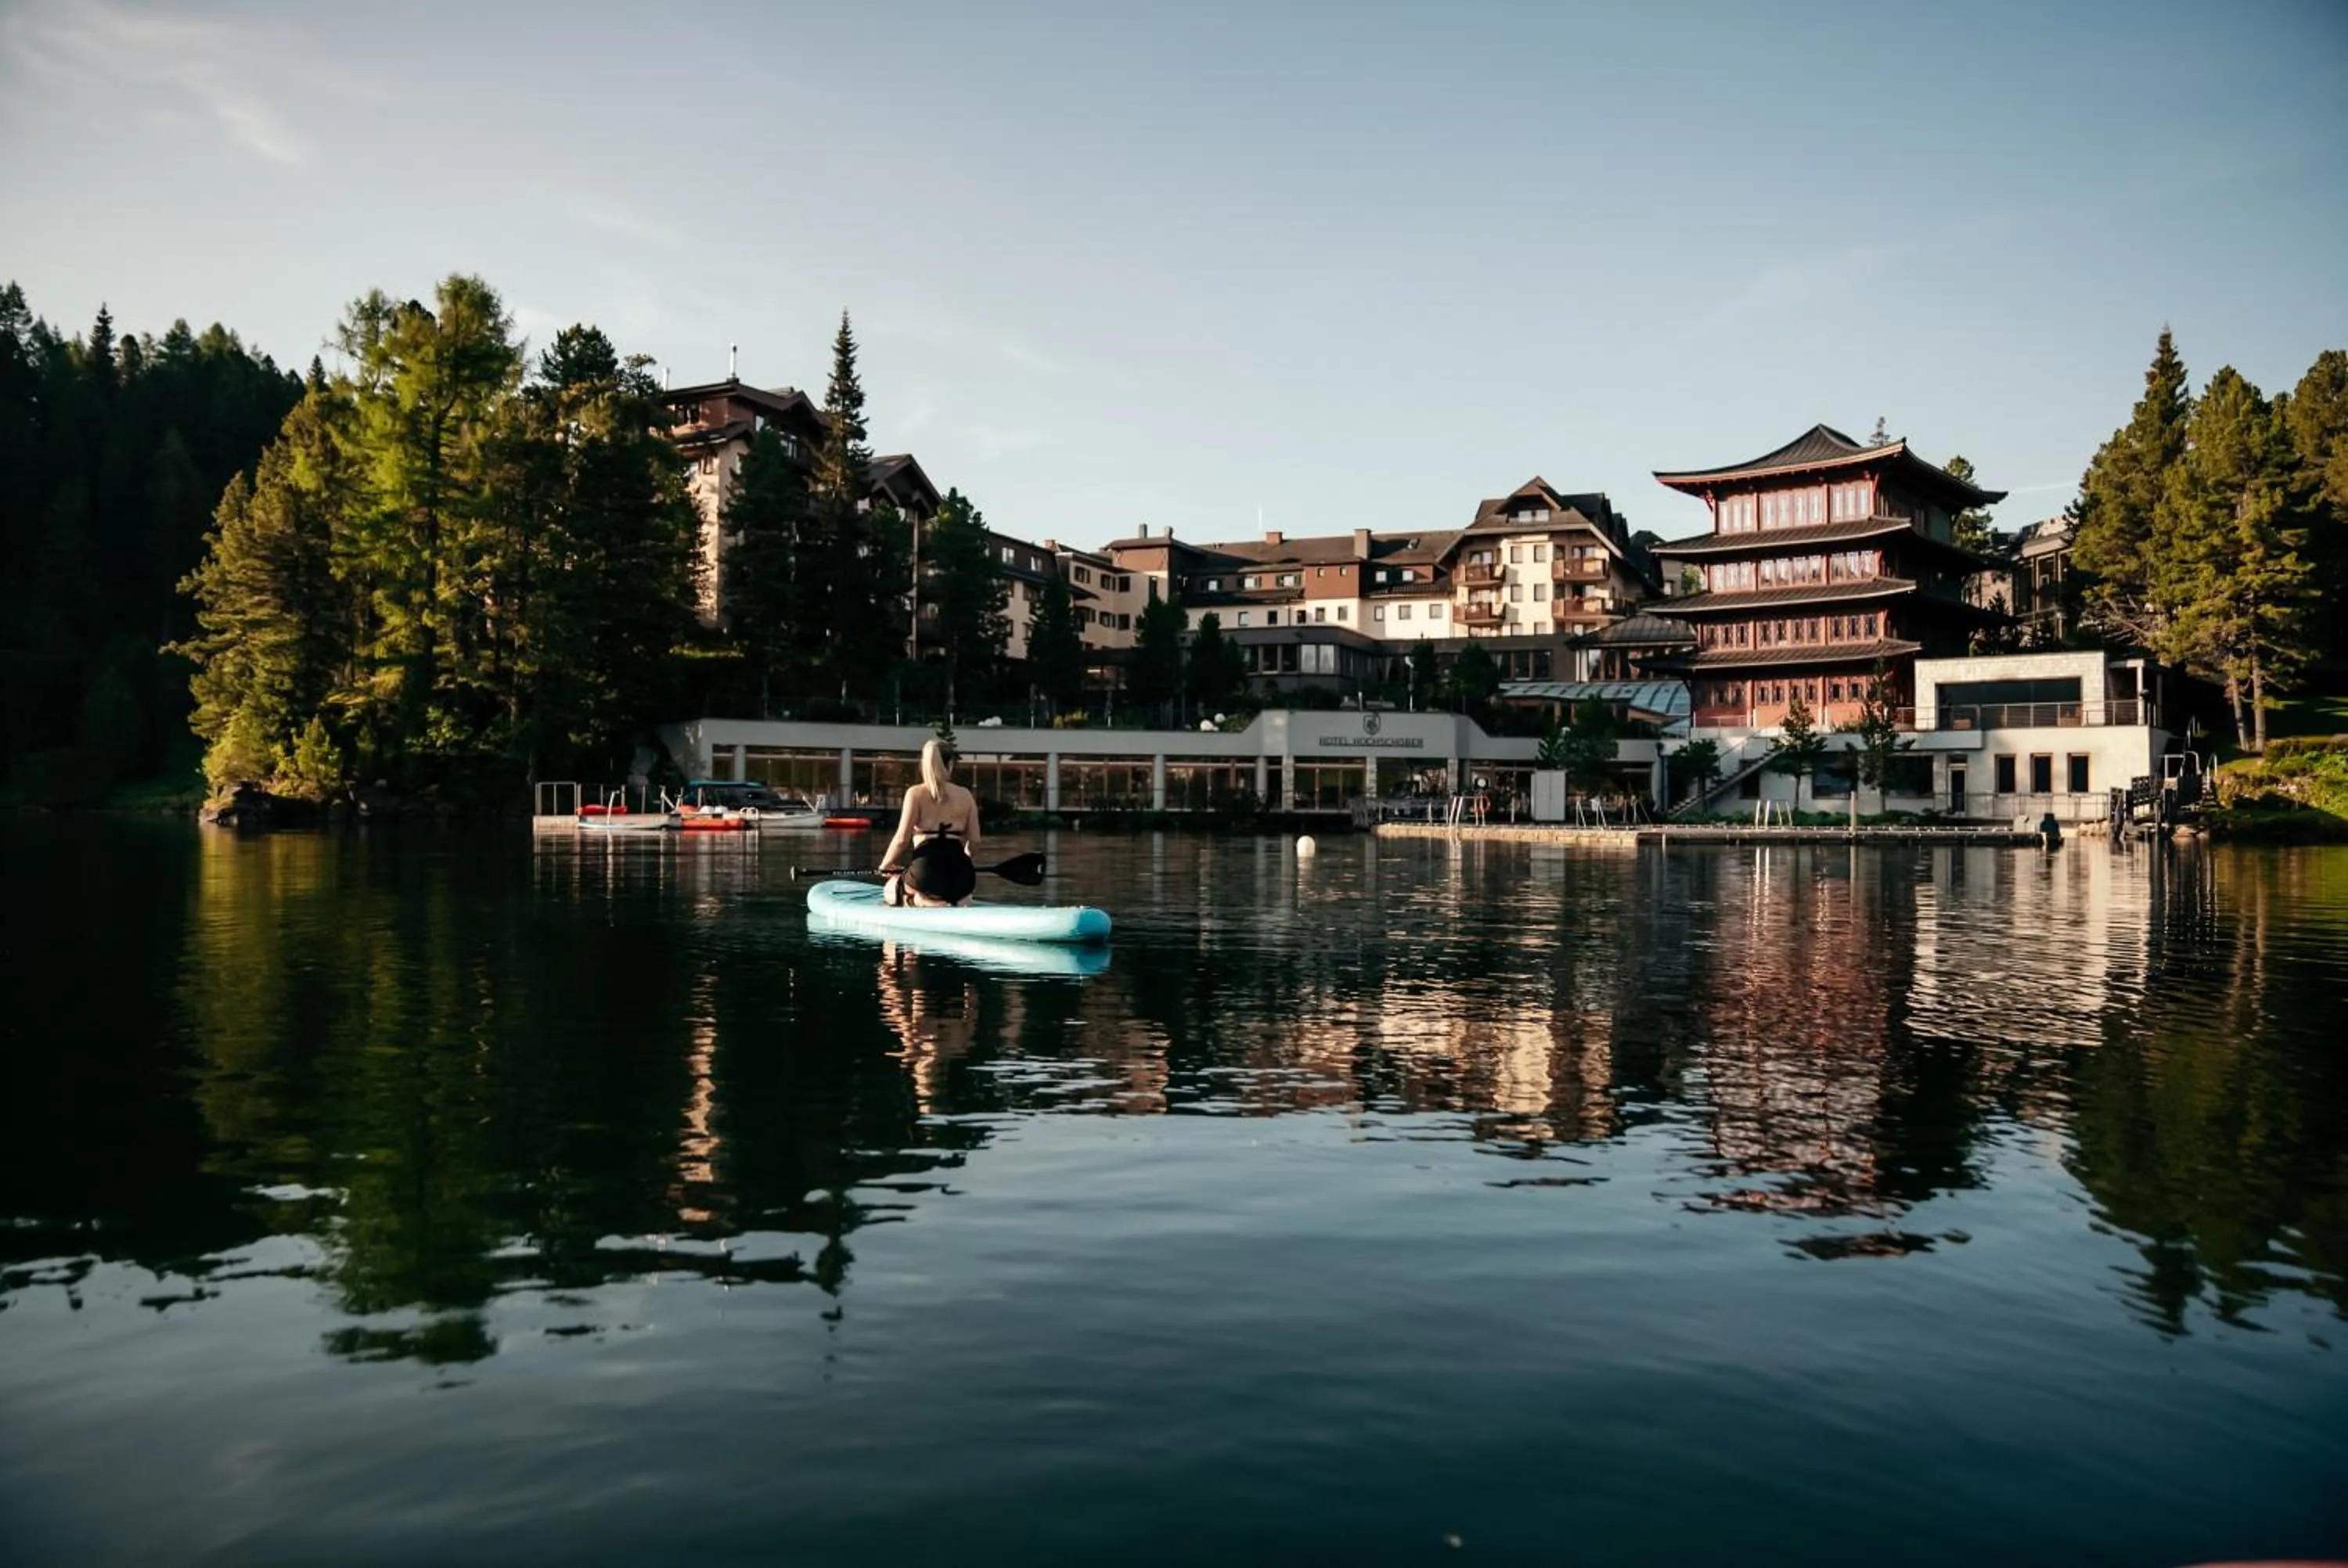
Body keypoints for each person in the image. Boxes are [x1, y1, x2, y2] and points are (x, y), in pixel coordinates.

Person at [880, 738, 981, 906]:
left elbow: (901, 839)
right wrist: (966, 860)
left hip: (926, 872)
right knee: (960, 893)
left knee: (889, 890)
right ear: (950, 765)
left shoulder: (915, 793)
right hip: (961, 873)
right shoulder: (966, 795)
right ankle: (958, 900)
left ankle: (919, 900)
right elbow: (976, 841)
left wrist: (886, 864)